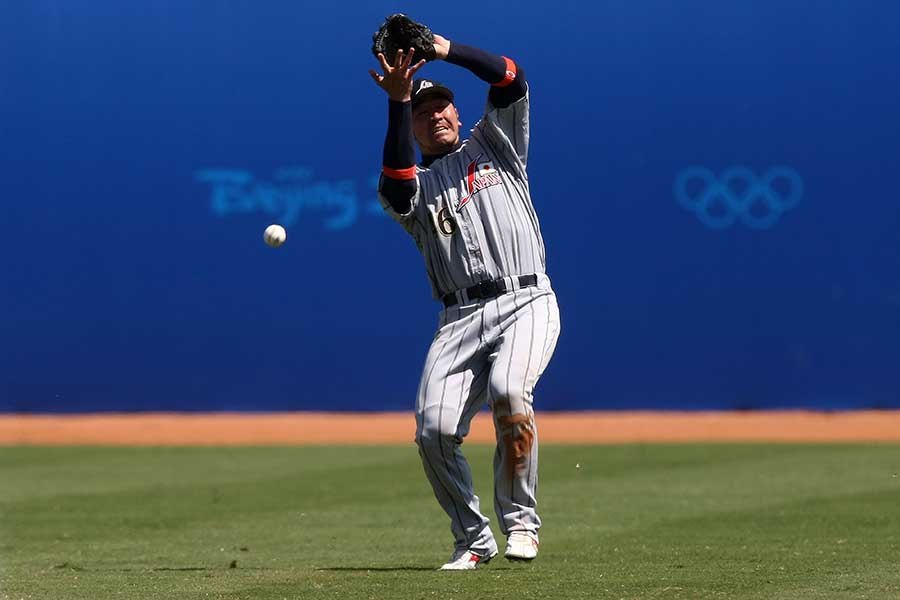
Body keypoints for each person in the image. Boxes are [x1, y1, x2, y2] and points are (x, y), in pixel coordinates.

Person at [368, 31, 561, 571]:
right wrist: (398, 99)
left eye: (442, 105)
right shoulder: (409, 191)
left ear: (458, 111)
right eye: (423, 112)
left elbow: (509, 76)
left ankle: (521, 523)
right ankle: (473, 538)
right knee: (432, 431)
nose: (436, 116)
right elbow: (399, 179)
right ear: (411, 125)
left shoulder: (494, 143)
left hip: (526, 299)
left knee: (508, 391)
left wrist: (441, 48)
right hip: (459, 318)